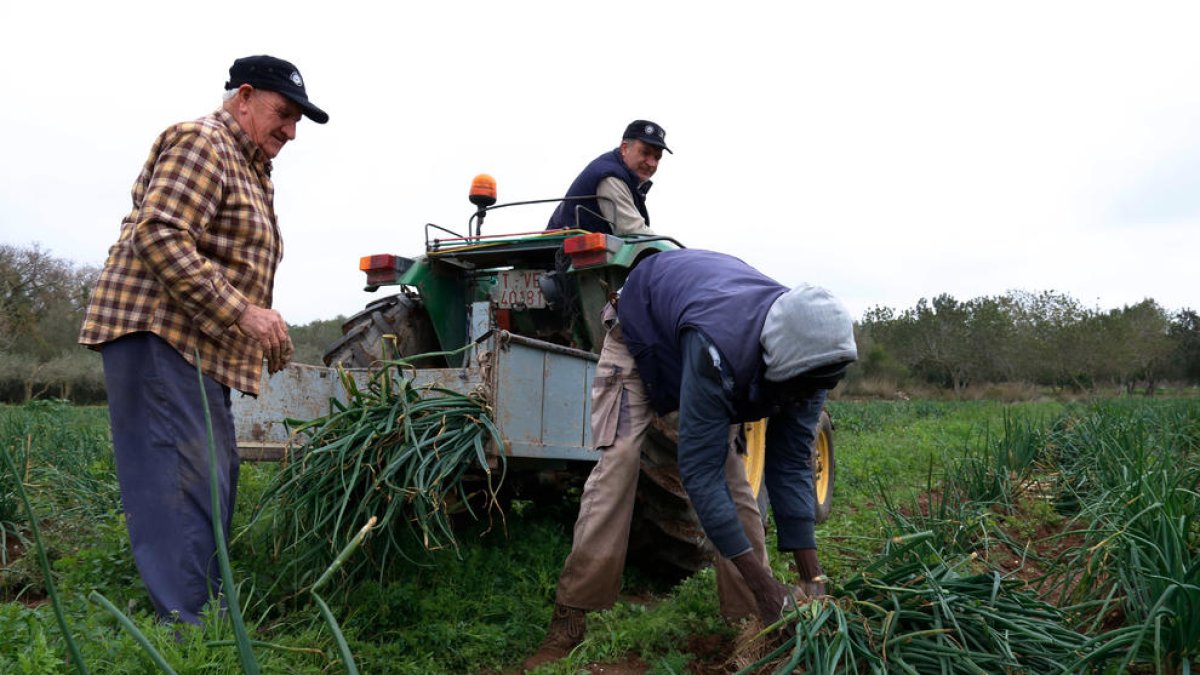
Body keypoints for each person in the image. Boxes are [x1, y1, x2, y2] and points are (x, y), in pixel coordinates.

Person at [78, 54, 328, 625]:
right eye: (282, 114)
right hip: (159, 335)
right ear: (243, 97)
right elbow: (160, 234)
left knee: (210, 481)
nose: (290, 131)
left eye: (296, 122)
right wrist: (244, 312)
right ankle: (190, 627)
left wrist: (258, 324)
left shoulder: (248, 166)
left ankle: (201, 611)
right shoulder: (203, 143)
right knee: (181, 478)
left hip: (198, 348)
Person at [525, 249, 857, 668]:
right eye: (807, 386)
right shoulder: (721, 351)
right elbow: (698, 476)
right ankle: (570, 615)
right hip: (640, 338)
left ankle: (753, 623)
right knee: (620, 464)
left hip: (697, 330)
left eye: (823, 386)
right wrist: (766, 583)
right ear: (779, 360)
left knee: (735, 479)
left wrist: (813, 580)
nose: (812, 396)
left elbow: (790, 465)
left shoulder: (814, 365)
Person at [545, 120, 671, 235]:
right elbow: (633, 231)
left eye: (657, 157)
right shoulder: (611, 177)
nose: (652, 163)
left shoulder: (617, 172)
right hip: (562, 256)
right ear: (624, 148)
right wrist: (675, 254)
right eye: (645, 152)